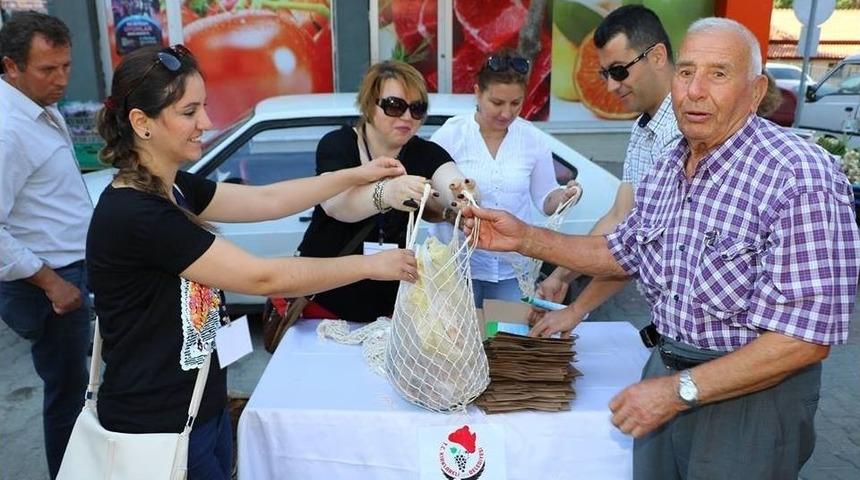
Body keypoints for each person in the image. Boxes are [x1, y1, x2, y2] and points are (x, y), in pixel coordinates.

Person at [461, 18, 859, 479]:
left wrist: (676, 391)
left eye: (719, 74)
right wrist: (525, 237)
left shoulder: (797, 174)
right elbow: (623, 252)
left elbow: (803, 339)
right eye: (686, 72)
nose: (695, 90)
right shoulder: (671, 164)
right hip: (668, 367)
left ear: (755, 91)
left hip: (751, 399)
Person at [87, 46, 418, 479]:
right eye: (189, 112)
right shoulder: (138, 213)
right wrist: (371, 265)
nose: (205, 123)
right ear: (141, 123)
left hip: (200, 405)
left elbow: (268, 199)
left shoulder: (172, 187)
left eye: (203, 107)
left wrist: (357, 174)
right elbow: (263, 276)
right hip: (158, 425)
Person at [529, 5, 680, 337]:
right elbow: (619, 217)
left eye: (619, 71)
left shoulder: (684, 130)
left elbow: (643, 244)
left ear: (656, 57)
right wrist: (560, 276)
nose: (611, 87)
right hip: (668, 319)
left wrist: (577, 310)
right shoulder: (644, 129)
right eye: (605, 74)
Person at [297, 60, 472, 323]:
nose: (406, 117)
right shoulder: (338, 144)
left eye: (417, 109)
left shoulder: (423, 152)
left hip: (390, 308)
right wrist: (389, 192)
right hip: (324, 302)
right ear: (369, 104)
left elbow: (452, 181)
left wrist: (462, 194)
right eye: (394, 106)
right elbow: (338, 206)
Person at [0, 12, 91, 478]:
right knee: (68, 398)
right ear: (11, 66)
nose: (60, 80)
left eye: (66, 67)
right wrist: (52, 283)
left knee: (87, 389)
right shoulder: (7, 129)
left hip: (74, 271)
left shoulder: (38, 105)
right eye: (47, 70)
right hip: (50, 285)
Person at [429, 48, 581, 307]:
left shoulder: (531, 138)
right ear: (478, 92)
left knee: (505, 342)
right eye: (497, 103)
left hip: (512, 270)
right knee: (460, 344)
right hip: (457, 268)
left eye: (516, 103)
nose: (506, 113)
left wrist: (566, 196)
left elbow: (545, 199)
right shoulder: (451, 134)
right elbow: (429, 194)